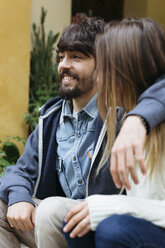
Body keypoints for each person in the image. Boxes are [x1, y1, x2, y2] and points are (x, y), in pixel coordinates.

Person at [0, 18, 165, 248]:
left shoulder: (122, 115)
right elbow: (20, 170)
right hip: (75, 220)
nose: (63, 65)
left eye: (77, 57)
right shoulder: (51, 115)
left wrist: (138, 119)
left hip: (97, 218)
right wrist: (19, 197)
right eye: (61, 57)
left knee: (56, 212)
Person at [63, 18, 165, 248]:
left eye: (104, 69)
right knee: (75, 225)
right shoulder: (123, 121)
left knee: (113, 230)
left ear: (125, 70)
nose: (98, 79)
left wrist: (115, 206)